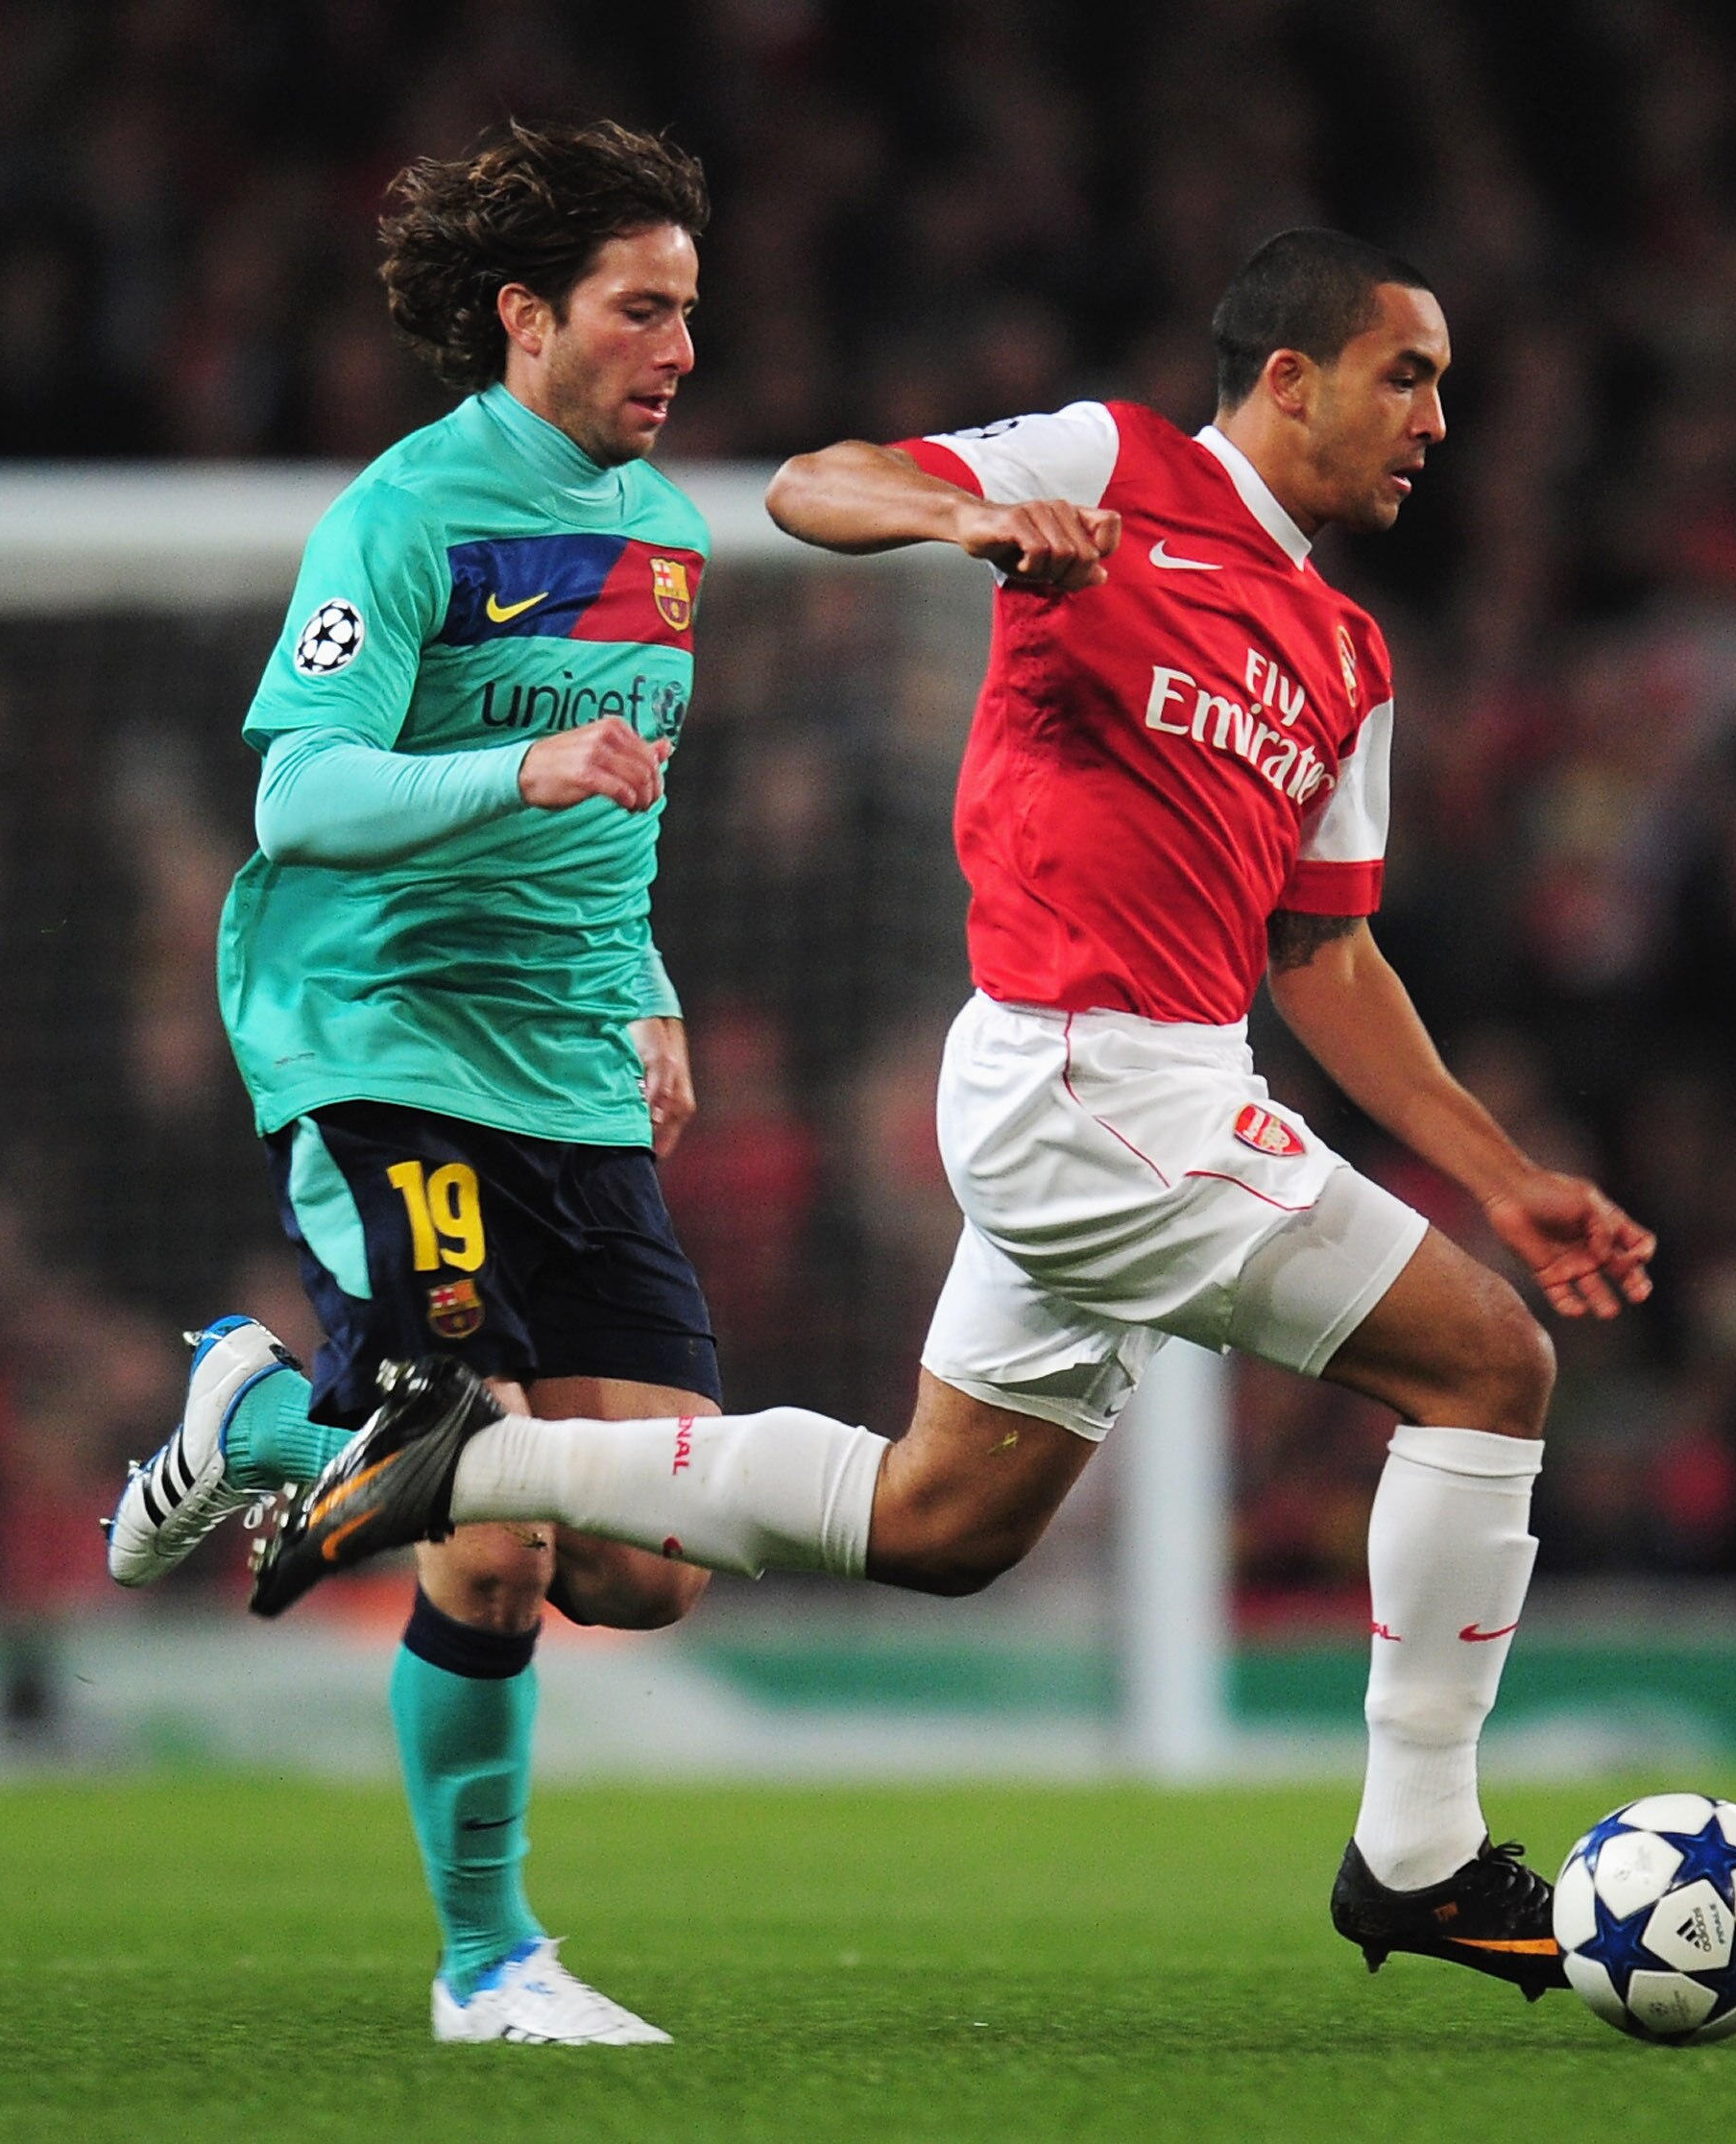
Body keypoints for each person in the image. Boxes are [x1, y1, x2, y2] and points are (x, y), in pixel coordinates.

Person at [251, 229, 1658, 2003]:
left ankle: (460, 1456)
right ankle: (1421, 1854)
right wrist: (969, 522)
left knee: (943, 1526)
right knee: (1490, 1365)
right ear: (1287, 378)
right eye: (1411, 374)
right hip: (1082, 1064)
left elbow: (1328, 954)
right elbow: (810, 484)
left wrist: (1506, 1174)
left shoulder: (1349, 654)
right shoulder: (1115, 465)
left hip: (1171, 1079)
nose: (1439, 418)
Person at [102, 117, 717, 2047]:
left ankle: (263, 1412)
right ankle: (487, 1964)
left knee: (641, 1559)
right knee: (485, 1499)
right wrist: (509, 770)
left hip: (570, 1072)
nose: (678, 346)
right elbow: (300, 790)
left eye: (692, 310)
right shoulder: (403, 516)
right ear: (526, 317)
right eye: (642, 308)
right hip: (382, 1047)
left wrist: (652, 987)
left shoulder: (672, 540)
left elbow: (617, 824)